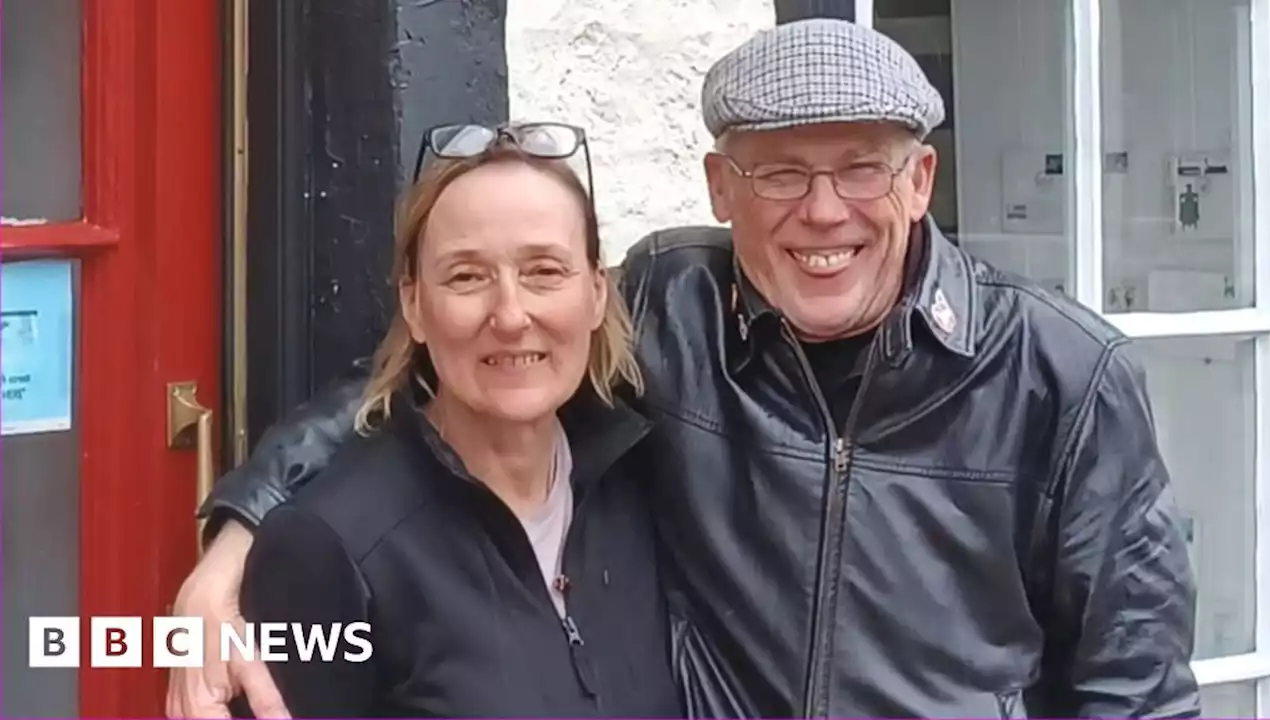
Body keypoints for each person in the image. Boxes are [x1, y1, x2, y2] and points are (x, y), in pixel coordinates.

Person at [168, 18, 1200, 719]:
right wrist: (241, 536)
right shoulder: (672, 304)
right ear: (719, 185)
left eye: (859, 168)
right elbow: (470, 366)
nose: (823, 211)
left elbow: (1135, 689)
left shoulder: (1062, 377)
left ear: (919, 178)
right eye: (781, 172)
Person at [209, 122, 682, 718]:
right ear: (414, 305)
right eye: (467, 276)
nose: (510, 315)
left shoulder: (636, 479)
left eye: (544, 271)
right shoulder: (333, 549)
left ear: (595, 291)